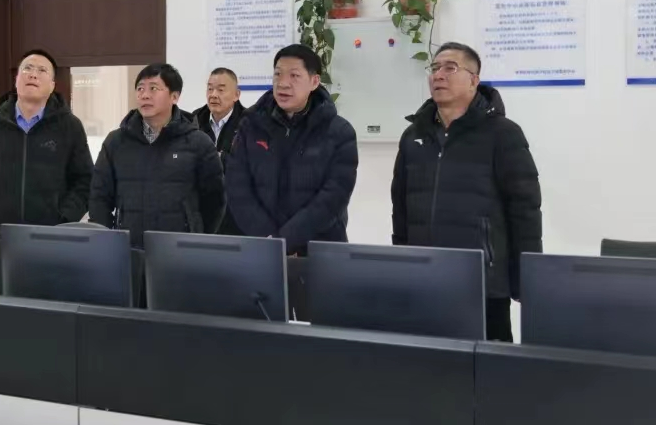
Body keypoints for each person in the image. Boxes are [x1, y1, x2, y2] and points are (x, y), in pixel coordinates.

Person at [391, 42, 542, 342]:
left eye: (450, 68)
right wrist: (402, 265)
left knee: (489, 367)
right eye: (434, 68)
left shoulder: (503, 134)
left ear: (474, 80)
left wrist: (527, 278)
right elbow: (401, 208)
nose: (438, 75)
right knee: (426, 363)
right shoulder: (414, 136)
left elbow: (525, 209)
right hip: (425, 278)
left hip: (484, 282)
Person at [226, 45, 358, 319]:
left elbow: (333, 197)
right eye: (278, 74)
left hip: (319, 254)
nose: (283, 83)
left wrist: (285, 240)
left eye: (294, 76)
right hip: (263, 252)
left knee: (321, 333)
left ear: (314, 81)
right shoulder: (250, 126)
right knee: (264, 332)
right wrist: (270, 242)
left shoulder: (339, 132)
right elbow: (238, 188)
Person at [89, 63, 225, 248]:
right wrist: (106, 241)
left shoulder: (198, 143)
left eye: (153, 88)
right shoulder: (116, 142)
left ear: (174, 96)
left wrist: (197, 239)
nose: (145, 95)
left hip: (180, 250)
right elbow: (99, 197)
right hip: (129, 248)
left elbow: (215, 201)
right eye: (140, 89)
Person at [0, 49, 93, 227]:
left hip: (50, 233)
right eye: (27, 68)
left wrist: (64, 219)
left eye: (42, 70)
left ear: (52, 85)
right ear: (16, 79)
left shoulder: (70, 126)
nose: (33, 74)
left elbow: (84, 180)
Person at [191, 67, 246, 235]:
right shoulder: (193, 123)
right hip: (202, 212)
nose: (213, 95)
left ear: (236, 95)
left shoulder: (249, 124)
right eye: (210, 89)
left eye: (221, 90)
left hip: (237, 214)